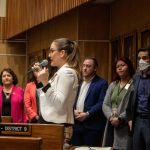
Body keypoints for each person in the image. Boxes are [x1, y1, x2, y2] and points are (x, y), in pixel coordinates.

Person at [33, 38, 80, 125]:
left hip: (57, 124)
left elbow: (58, 104)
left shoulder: (67, 73)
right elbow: (43, 96)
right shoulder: (59, 72)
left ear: (62, 53)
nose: (49, 55)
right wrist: (40, 80)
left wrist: (45, 82)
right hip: (49, 121)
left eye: (52, 51)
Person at [71, 57, 108, 147]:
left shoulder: (102, 83)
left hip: (92, 126)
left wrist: (88, 114)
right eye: (83, 65)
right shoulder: (78, 82)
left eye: (88, 66)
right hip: (77, 124)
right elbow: (71, 99)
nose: (84, 68)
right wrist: (73, 110)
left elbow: (101, 102)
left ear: (95, 68)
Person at [102, 57, 135, 150]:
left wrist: (120, 119)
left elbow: (132, 106)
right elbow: (105, 104)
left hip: (125, 124)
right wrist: (111, 117)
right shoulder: (113, 84)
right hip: (111, 123)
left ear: (129, 67)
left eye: (123, 65)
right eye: (117, 67)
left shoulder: (134, 84)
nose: (120, 68)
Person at [126, 47, 150, 150]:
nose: (141, 61)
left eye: (144, 58)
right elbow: (131, 99)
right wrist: (130, 118)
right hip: (137, 120)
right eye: (139, 58)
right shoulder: (136, 77)